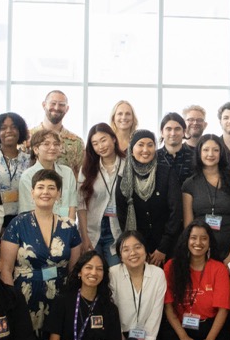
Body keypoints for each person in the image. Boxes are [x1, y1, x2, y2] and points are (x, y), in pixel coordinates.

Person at [1, 168, 85, 334]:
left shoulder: (69, 227)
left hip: (59, 298)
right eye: (40, 187)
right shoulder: (18, 224)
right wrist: (12, 300)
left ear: (59, 194)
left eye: (51, 188)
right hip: (23, 296)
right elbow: (5, 269)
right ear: (32, 192)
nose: (45, 192)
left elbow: (74, 270)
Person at [161, 222, 230, 340]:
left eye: (203, 239)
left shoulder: (218, 268)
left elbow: (223, 310)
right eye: (193, 238)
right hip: (180, 326)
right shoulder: (171, 266)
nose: (198, 243)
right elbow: (169, 308)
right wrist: (184, 338)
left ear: (210, 243)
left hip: (210, 327)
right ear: (186, 240)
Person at [109, 231, 170, 340]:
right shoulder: (112, 274)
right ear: (120, 255)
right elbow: (111, 312)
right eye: (126, 249)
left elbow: (156, 312)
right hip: (122, 335)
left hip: (146, 335)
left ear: (145, 250)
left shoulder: (158, 274)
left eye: (137, 247)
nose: (133, 253)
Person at [114, 130, 183, 265]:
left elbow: (176, 212)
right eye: (140, 145)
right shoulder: (124, 177)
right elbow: (122, 215)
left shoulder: (166, 173)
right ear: (131, 150)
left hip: (166, 247)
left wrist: (162, 248)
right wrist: (139, 249)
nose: (145, 150)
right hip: (137, 250)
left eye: (150, 145)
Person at [182, 133, 230, 264]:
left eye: (215, 150)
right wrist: (196, 254)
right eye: (206, 150)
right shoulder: (190, 184)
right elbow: (188, 224)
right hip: (200, 251)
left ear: (221, 153)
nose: (210, 154)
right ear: (199, 152)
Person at [77, 123, 124, 267]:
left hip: (118, 230)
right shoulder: (87, 169)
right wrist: (84, 237)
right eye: (95, 143)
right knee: (93, 271)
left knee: (115, 273)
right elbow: (81, 204)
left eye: (103, 140)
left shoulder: (127, 165)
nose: (101, 146)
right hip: (93, 229)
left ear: (113, 139)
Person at [0, 112, 33, 228]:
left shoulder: (29, 160)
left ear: (20, 131)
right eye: (3, 128)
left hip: (22, 217)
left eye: (14, 127)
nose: (9, 131)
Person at [18, 129, 79, 221]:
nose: (52, 147)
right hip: (38, 229)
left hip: (66, 227)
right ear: (36, 149)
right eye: (46, 144)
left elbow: (72, 206)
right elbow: (28, 211)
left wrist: (67, 229)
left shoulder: (67, 172)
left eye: (56, 144)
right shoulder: (27, 176)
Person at [29, 89, 83, 171]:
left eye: (61, 105)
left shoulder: (76, 142)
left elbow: (80, 175)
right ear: (44, 105)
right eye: (53, 103)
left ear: (67, 109)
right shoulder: (27, 137)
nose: (57, 108)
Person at [157, 112, 193, 184]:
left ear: (184, 132)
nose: (173, 133)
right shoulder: (154, 157)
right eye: (168, 129)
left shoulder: (194, 157)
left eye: (177, 129)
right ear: (162, 132)